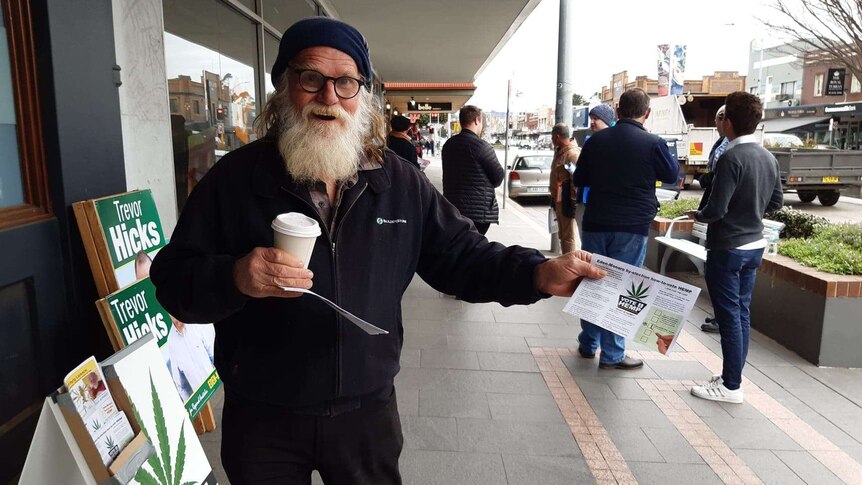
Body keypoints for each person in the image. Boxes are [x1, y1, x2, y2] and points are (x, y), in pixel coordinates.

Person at [150, 17, 606, 484]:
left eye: (345, 82)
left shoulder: (397, 182)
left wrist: (538, 272)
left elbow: (463, 256)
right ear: (285, 89)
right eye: (311, 79)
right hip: (262, 412)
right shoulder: (235, 180)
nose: (329, 97)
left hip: (366, 413)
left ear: (361, 96)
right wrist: (235, 278)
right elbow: (172, 280)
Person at [685, 92, 783, 404]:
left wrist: (697, 215)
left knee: (728, 317)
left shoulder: (731, 158)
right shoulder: (768, 157)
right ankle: (732, 377)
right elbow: (777, 203)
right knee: (741, 313)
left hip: (727, 248)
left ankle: (730, 386)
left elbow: (716, 210)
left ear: (728, 122)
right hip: (755, 245)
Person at [573, 88, 679, 370]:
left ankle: (588, 343)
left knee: (593, 281)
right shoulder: (653, 142)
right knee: (622, 288)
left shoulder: (595, 142)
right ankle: (613, 354)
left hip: (596, 223)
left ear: (618, 112)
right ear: (647, 113)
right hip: (632, 227)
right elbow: (671, 175)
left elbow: (580, 177)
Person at [441, 105, 504, 235]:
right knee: (474, 249)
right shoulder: (482, 146)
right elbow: (498, 177)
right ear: (476, 120)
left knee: (461, 246)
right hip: (478, 212)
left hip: (452, 208)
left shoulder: (448, 145)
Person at [699, 105, 729, 334]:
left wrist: (703, 214)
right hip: (732, 231)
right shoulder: (720, 145)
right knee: (715, 274)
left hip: (726, 230)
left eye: (719, 118)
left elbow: (720, 191)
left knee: (719, 276)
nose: (716, 123)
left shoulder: (729, 152)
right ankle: (722, 316)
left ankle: (725, 319)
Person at [549, 123, 580, 253]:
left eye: (552, 137)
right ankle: (565, 259)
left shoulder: (572, 153)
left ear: (557, 136)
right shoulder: (560, 151)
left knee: (568, 236)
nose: (552, 140)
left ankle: (570, 262)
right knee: (563, 234)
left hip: (567, 200)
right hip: (559, 199)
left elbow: (577, 179)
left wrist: (572, 202)